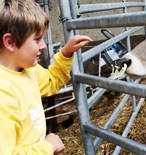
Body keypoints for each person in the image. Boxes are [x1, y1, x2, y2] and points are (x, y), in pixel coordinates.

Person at [0, 0, 92, 154]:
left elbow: (52, 80)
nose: (43, 45)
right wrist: (48, 147)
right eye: (37, 39)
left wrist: (65, 53)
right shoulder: (3, 94)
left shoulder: (29, 70)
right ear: (10, 42)